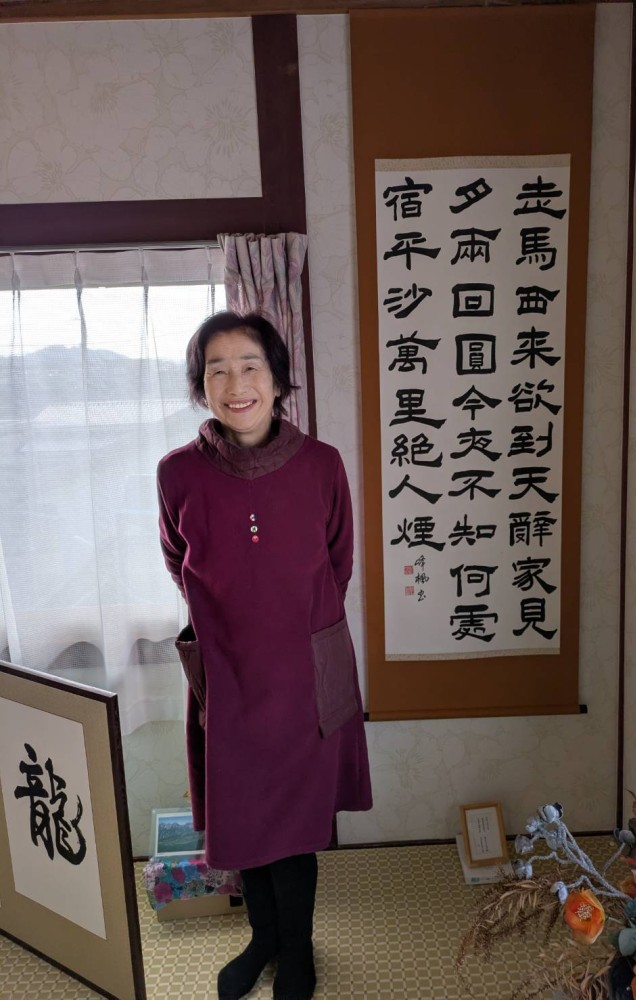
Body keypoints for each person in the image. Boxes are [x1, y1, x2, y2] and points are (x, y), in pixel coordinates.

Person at [157, 311, 372, 1000]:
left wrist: (288, 627)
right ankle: (263, 941)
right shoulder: (176, 474)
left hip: (304, 677)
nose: (235, 384)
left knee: (297, 828)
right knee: (243, 820)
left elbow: (338, 564)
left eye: (250, 366)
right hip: (227, 677)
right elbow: (178, 561)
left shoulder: (322, 464)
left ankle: (297, 951)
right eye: (216, 370)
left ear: (278, 379)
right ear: (201, 388)